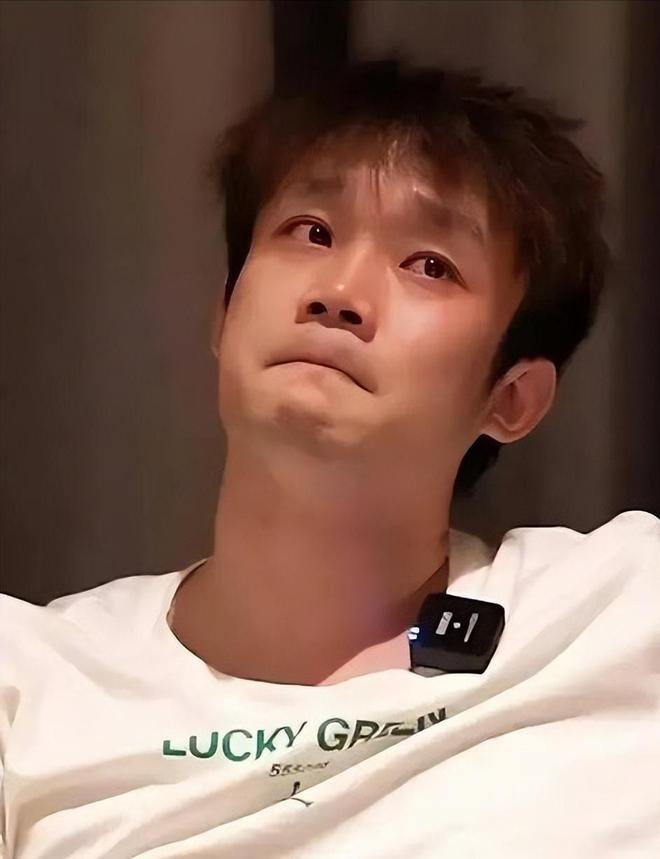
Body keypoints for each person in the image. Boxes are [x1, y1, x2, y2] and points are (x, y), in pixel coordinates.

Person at [1, 58, 658, 858]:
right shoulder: (29, 680)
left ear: (512, 397)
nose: (339, 293)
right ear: (224, 314)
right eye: (312, 232)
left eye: (430, 265)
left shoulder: (621, 609)